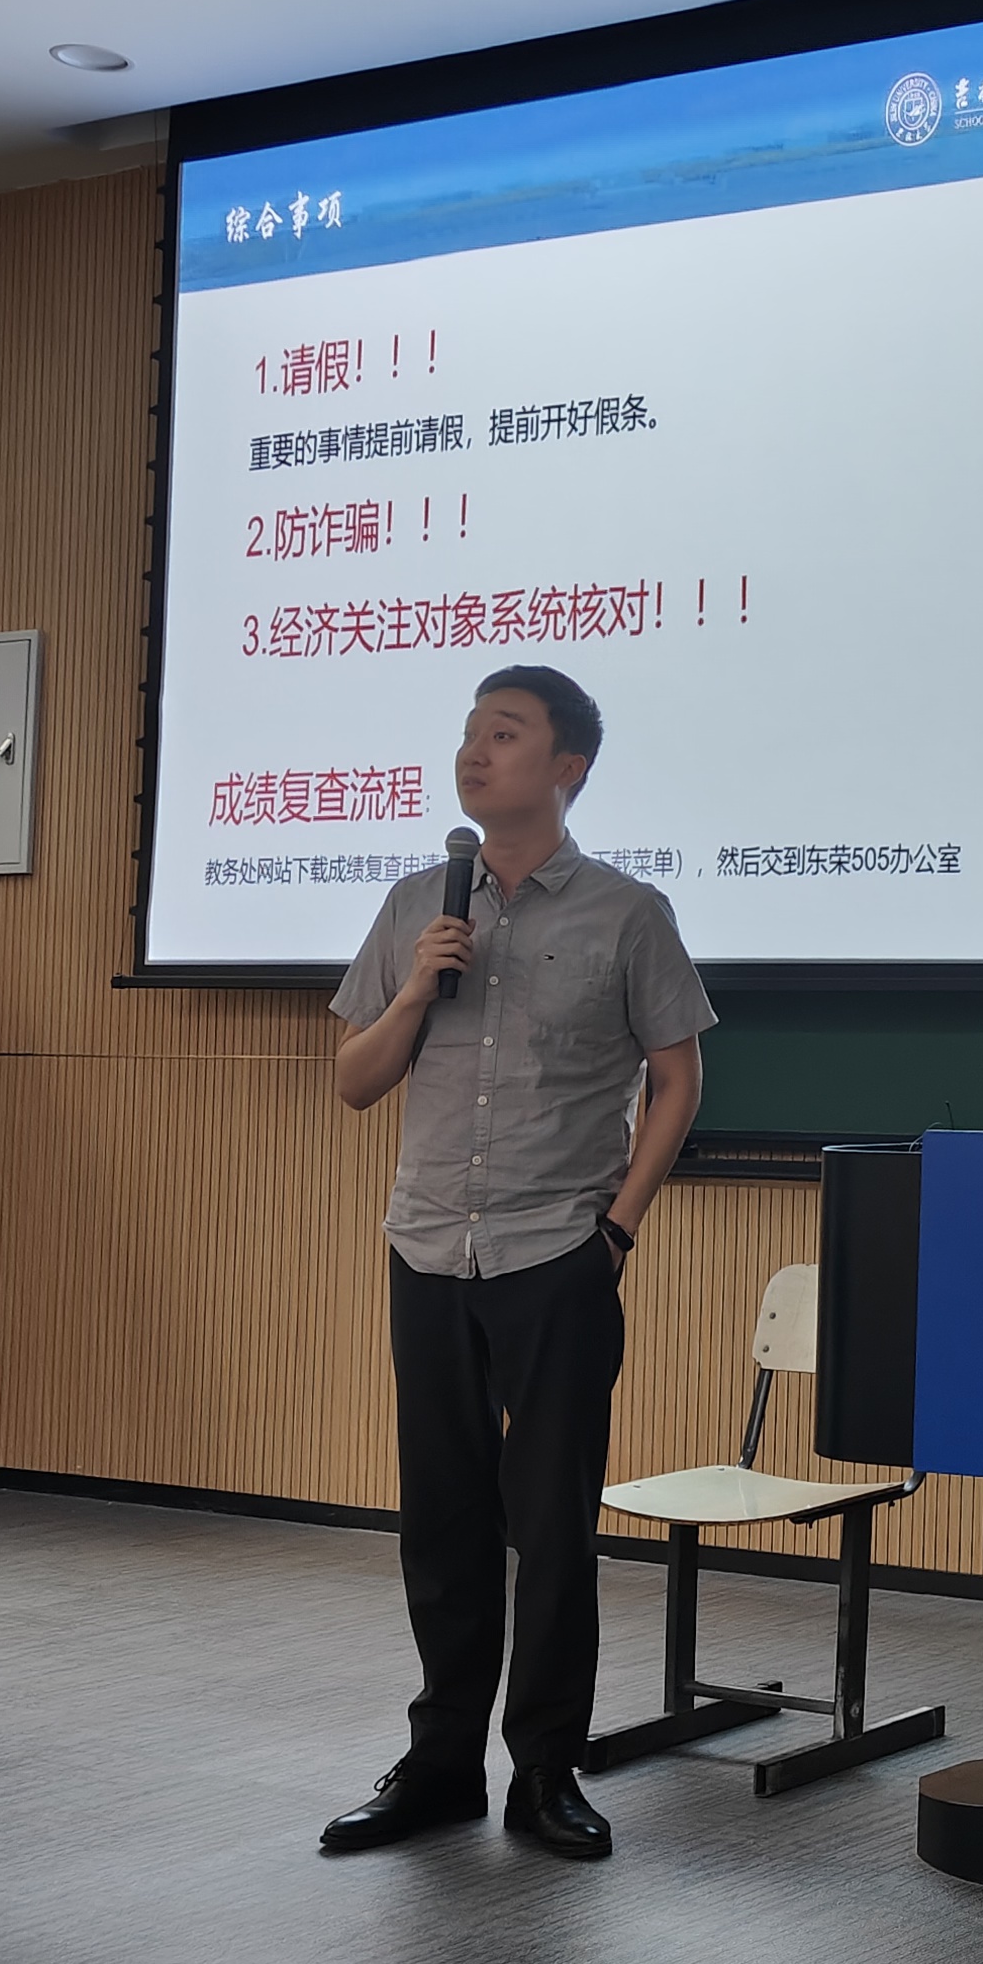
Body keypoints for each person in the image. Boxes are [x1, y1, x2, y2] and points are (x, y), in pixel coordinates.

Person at [315, 665, 715, 1861]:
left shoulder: (628, 913)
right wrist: (415, 990)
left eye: (504, 734)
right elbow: (353, 1080)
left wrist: (618, 1231)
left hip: (556, 1253)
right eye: (469, 734)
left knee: (551, 1528)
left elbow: (678, 1080)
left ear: (567, 767)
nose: (474, 753)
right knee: (441, 1523)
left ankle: (546, 1769)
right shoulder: (414, 905)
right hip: (429, 1245)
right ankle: (441, 1765)